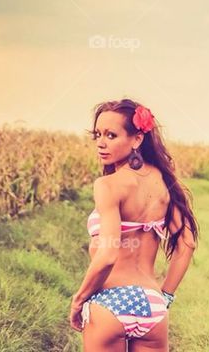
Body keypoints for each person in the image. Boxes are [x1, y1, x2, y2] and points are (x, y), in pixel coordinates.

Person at [68, 99, 198, 351]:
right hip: (153, 307)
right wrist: (166, 296)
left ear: (137, 139)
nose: (101, 143)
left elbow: (107, 255)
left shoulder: (108, 185)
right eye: (98, 134)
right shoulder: (167, 183)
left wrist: (79, 300)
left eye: (111, 135)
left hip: (110, 302)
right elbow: (187, 244)